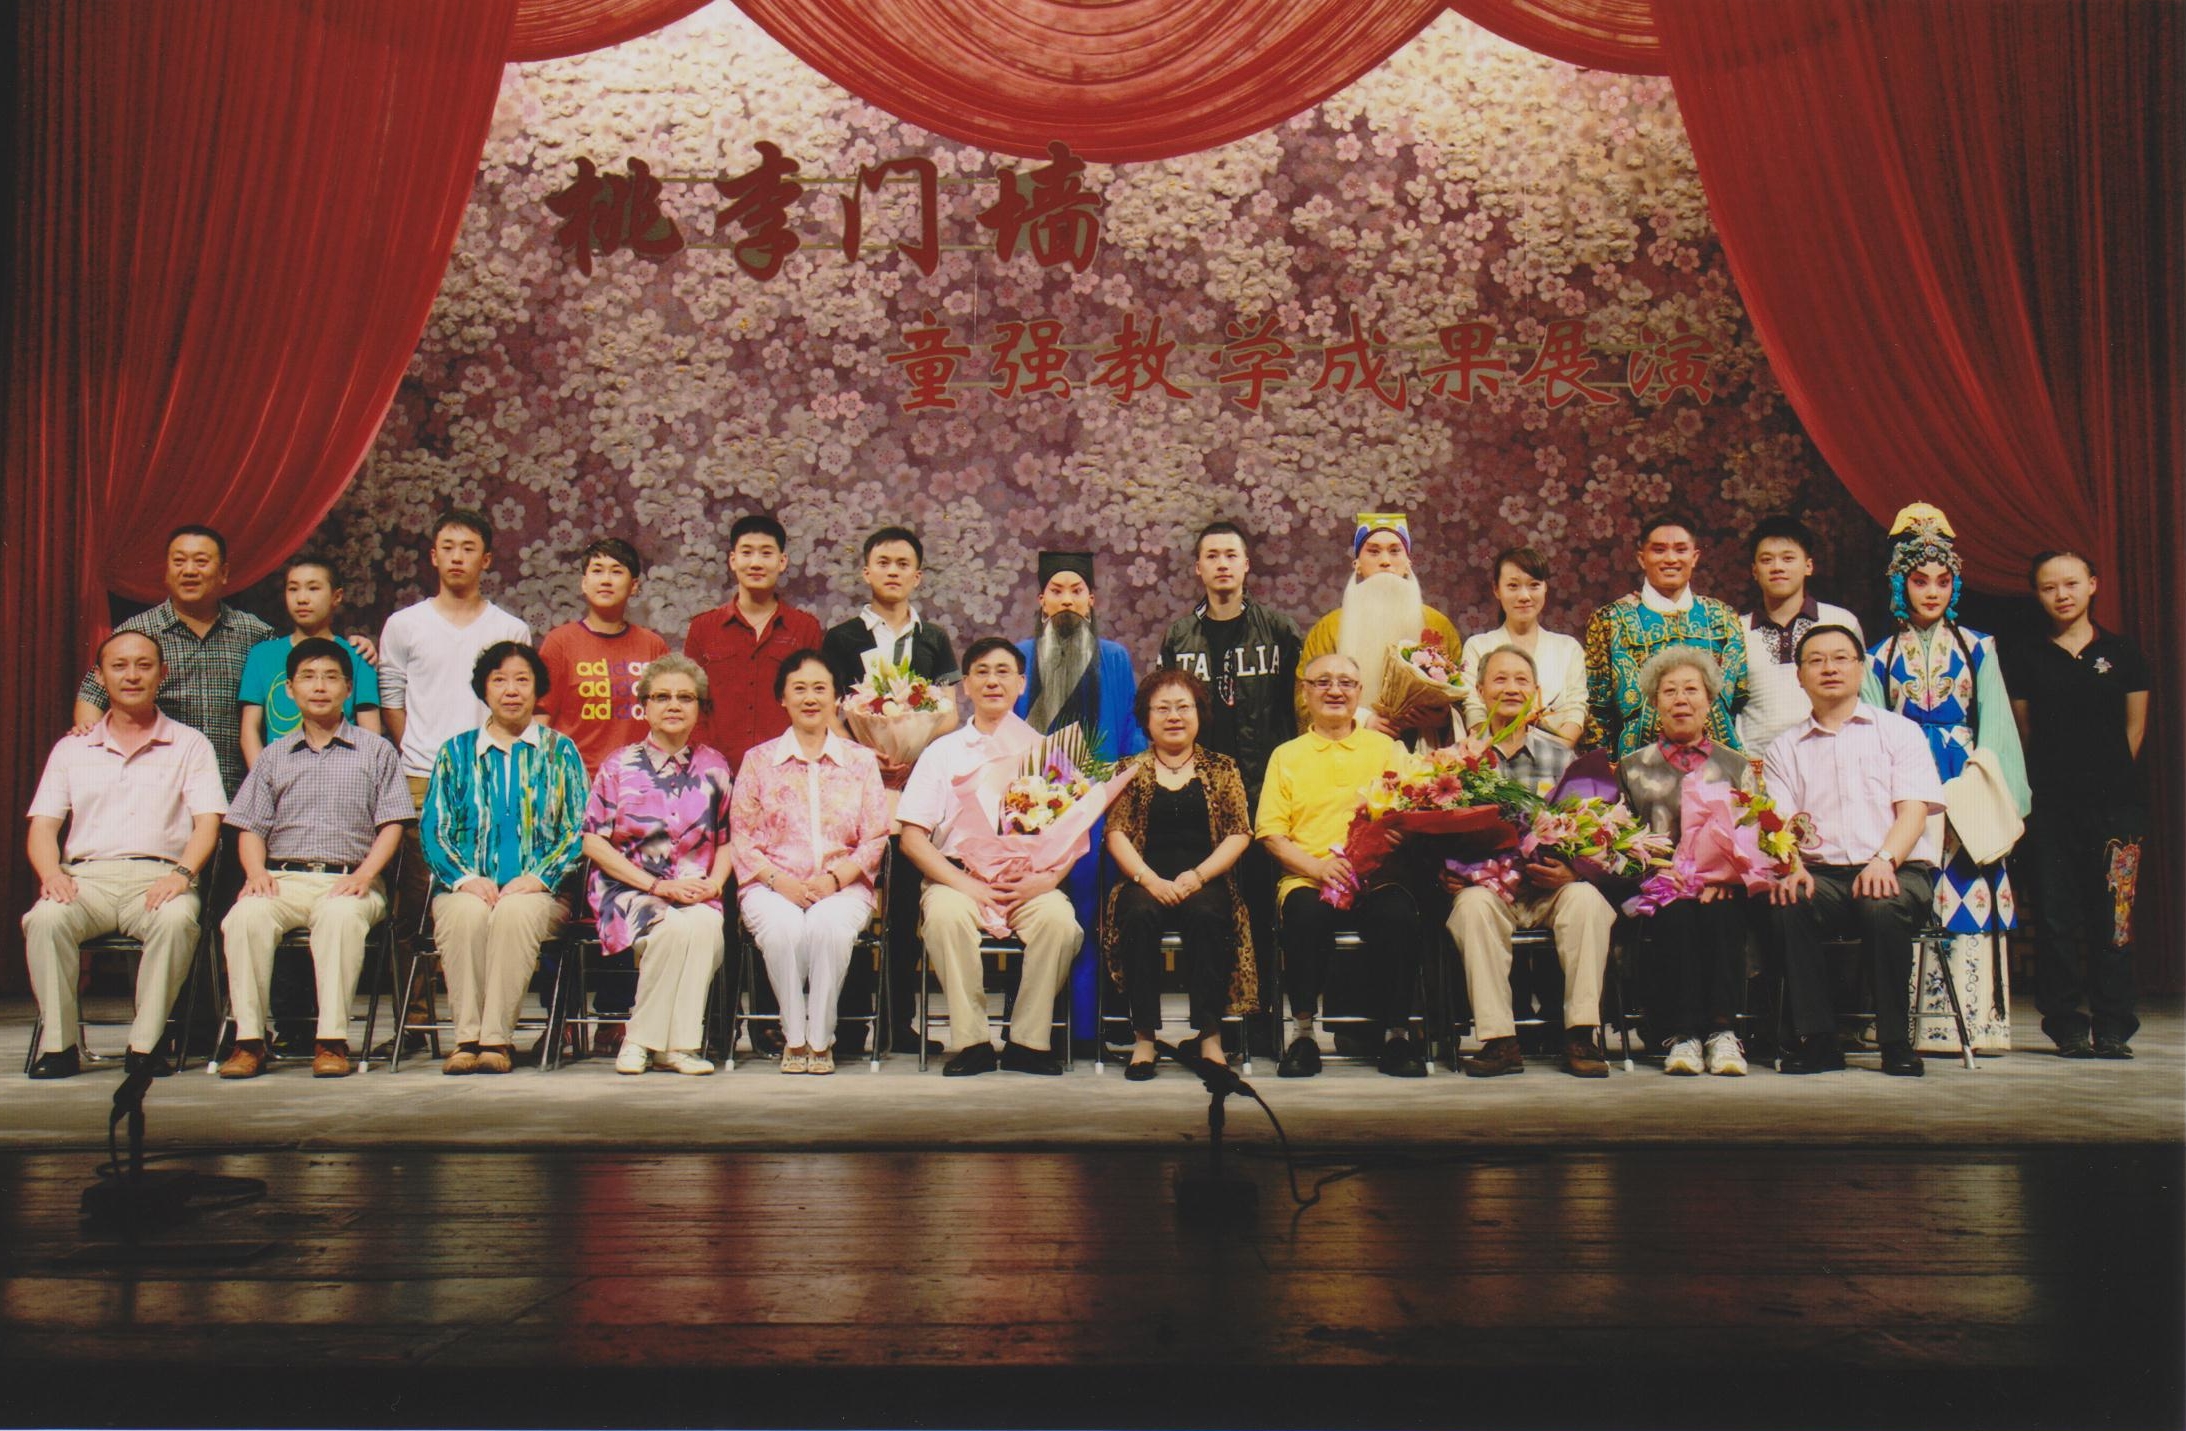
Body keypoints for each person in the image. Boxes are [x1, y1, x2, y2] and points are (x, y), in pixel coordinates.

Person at [1861, 504, 2029, 1053]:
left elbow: (1997, 725)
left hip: (1965, 781)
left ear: (1955, 584)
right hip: (1906, 779)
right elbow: (1871, 735)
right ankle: (1907, 1022)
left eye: (1942, 580)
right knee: (1913, 890)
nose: (1931, 591)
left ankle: (1975, 1023)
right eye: (1919, 580)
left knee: (1967, 890)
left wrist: (1991, 791)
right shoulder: (1879, 657)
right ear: (1900, 584)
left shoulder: (1979, 648)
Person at [25, 631, 226, 1078]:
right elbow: (43, 826)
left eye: (143, 665)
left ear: (162, 674)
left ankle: (145, 1046)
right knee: (45, 919)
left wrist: (181, 874)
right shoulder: (72, 748)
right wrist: (51, 874)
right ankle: (59, 1047)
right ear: (100, 676)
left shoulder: (190, 743)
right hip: (86, 880)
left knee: (176, 920)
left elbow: (208, 823)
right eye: (119, 666)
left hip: (159, 878)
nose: (131, 675)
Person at [216, 638, 412, 1079]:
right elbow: (250, 827)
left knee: (341, 917)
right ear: (289, 689)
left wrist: (366, 875)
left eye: (330, 678)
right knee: (244, 917)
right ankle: (249, 1041)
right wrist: (254, 872)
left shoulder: (376, 750)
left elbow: (393, 825)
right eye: (307, 677)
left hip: (350, 879)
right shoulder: (273, 755)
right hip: (283, 878)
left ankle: (332, 1041)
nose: (319, 687)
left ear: (348, 689)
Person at [377, 510, 532, 1048]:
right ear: (433, 556)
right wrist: (434, 758)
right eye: (448, 547)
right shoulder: (405, 625)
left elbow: (516, 704)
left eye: (469, 548)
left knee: (487, 901)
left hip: (492, 777)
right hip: (422, 777)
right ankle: (415, 1024)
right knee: (415, 908)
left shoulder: (509, 629)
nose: (457, 557)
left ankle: (488, 1025)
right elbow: (392, 699)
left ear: (485, 560)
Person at [1764, 625, 1946, 1076]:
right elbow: (1779, 825)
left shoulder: (1899, 732)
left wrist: (1885, 860)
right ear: (1799, 676)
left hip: (1896, 866)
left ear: (1861, 669)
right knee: (1788, 900)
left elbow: (1914, 811)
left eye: (1841, 658)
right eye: (1816, 660)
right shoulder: (1784, 748)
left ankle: (1895, 1042)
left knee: (1881, 904)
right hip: (1822, 875)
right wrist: (1793, 867)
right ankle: (1818, 1040)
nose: (1829, 668)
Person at [897, 638, 1082, 1076]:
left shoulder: (1047, 750)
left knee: (1059, 923)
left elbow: (1071, 837)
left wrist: (1046, 881)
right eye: (981, 672)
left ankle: (1028, 1042)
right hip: (956, 879)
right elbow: (913, 839)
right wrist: (967, 885)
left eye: (1003, 672)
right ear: (965, 686)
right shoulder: (941, 752)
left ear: (1021, 683)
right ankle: (972, 1042)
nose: (992, 681)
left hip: (1025, 881)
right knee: (945, 919)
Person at [1158, 520, 1300, 1055]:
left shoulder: (1279, 631)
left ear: (1245, 565)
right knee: (1212, 909)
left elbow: (1297, 712)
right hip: (1200, 796)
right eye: (1212, 555)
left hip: (1263, 790)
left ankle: (1262, 1027)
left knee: (1261, 910)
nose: (1222, 564)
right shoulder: (1179, 637)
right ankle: (1213, 1026)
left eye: (1230, 555)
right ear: (1198, 568)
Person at [820, 525, 960, 1058]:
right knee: (854, 902)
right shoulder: (842, 638)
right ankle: (850, 1023)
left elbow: (949, 713)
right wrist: (863, 751)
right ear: (866, 571)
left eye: (903, 563)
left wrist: (915, 752)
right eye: (884, 562)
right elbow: (830, 710)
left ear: (917, 576)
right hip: (856, 786)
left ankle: (898, 1023)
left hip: (913, 787)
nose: (893, 571)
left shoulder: (933, 639)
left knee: (903, 909)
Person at [1442, 646, 1614, 1079]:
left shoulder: (1562, 757)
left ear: (1536, 692)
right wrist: (1449, 871)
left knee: (1588, 902)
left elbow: (1593, 831)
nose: (1511, 688)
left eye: (1521, 680)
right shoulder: (1456, 760)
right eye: (1500, 679)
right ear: (1480, 690)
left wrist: (1574, 870)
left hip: (1549, 889)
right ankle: (1499, 1041)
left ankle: (1581, 1034)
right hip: (1489, 891)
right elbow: (1434, 830)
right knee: (1471, 909)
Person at [419, 642, 588, 1075]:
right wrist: (465, 879)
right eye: (499, 680)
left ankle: (496, 1040)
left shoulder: (560, 751)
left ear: (537, 690)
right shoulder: (455, 752)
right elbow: (433, 829)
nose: (511, 690)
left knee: (514, 912)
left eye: (522, 680)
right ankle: (466, 1040)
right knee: (466, 915)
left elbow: (578, 830)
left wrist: (539, 877)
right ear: (484, 689)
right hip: (466, 885)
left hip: (539, 892)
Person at [1257, 652, 1428, 1079]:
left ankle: (1396, 1037)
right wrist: (1317, 869)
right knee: (1304, 916)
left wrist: (1401, 834)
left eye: (1346, 683)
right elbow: (1272, 835)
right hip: (1309, 876)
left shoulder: (1387, 749)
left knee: (1399, 916)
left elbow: (1412, 813)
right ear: (1305, 692)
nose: (1335, 690)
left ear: (1359, 693)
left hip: (1377, 876)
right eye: (1323, 682)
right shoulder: (1286, 755)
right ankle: (1303, 1036)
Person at [2012, 551, 2150, 1059]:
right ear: (2038, 594)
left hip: (2117, 808)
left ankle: (2113, 1024)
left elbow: (2134, 728)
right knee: (2055, 918)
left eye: (2071, 584)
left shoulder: (2122, 651)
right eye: (2049, 587)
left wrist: (2104, 781)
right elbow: (2025, 731)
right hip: (2051, 808)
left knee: (2114, 918)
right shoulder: (2026, 655)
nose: (2062, 595)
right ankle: (2066, 1024)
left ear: (2093, 584)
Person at [731, 652, 890, 1075]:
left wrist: (835, 880)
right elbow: (742, 839)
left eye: (820, 688)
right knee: (783, 930)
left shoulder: (860, 761)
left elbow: (876, 836)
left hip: (842, 885)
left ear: (837, 698)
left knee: (827, 927)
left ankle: (820, 1040)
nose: (810, 698)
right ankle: (794, 1037)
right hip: (770, 885)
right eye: (799, 689)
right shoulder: (758, 760)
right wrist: (779, 882)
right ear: (782, 697)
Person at [582, 654, 735, 1078]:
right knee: (671, 929)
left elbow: (728, 839)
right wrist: (656, 887)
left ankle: (677, 1047)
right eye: (662, 696)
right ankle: (641, 1040)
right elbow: (593, 841)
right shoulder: (619, 765)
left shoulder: (715, 766)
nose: (674, 705)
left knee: (705, 926)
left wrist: (714, 884)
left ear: (699, 708)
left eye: (685, 697)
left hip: (694, 889)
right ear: (645, 707)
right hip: (628, 889)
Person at [1101, 669, 1256, 1080]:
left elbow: (1239, 833)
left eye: (1183, 707)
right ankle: (1144, 1038)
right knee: (1138, 915)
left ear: (1199, 713)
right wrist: (1149, 879)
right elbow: (1115, 833)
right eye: (1163, 708)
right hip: (1144, 879)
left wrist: (1199, 876)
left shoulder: (1221, 768)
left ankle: (1210, 1037)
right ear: (1146, 717)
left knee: (1207, 915)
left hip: (1204, 879)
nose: (1174, 716)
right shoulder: (1129, 769)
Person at [1616, 648, 1755, 1077]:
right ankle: (1684, 1035)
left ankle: (1723, 1032)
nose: (1681, 699)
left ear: (1710, 700)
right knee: (1675, 912)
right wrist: (1655, 871)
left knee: (1721, 910)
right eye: (1669, 691)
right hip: (1656, 886)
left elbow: (1754, 835)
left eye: (1691, 690)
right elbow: (1617, 840)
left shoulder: (1736, 766)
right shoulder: (1631, 767)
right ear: (1654, 703)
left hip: (1721, 885)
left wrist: (1727, 876)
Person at [73, 524, 275, 799]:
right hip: (161, 796)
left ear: (224, 573)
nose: (189, 571)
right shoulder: (137, 633)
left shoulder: (256, 634)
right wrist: (94, 745)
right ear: (166, 571)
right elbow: (92, 695)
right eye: (179, 561)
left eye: (201, 561)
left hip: (239, 795)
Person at [1583, 512, 1750, 757]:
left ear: (1694, 557)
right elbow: (1597, 714)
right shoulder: (1610, 620)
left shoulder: (1723, 618)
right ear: (1642, 558)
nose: (1670, 559)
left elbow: (1739, 702)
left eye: (1680, 550)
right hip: (1638, 767)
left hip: (1717, 765)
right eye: (1659, 550)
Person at [1295, 512, 1463, 743]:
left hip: (1423, 749)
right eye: (1373, 552)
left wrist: (1442, 719)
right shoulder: (1329, 628)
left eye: (1395, 551)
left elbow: (1462, 699)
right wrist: (1361, 720)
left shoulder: (1437, 625)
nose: (1385, 561)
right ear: (1357, 564)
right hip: (1351, 747)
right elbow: (1305, 699)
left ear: (1408, 563)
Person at [683, 512, 825, 774]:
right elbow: (689, 700)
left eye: (766, 553)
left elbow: (816, 703)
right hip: (714, 771)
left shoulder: (805, 628)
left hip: (786, 770)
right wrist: (705, 761)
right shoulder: (703, 628)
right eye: (747, 553)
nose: (756, 563)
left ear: (782, 562)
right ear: (733, 560)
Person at [536, 537, 671, 777]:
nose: (606, 580)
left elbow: (668, 718)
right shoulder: (560, 643)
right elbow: (540, 717)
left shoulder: (653, 645)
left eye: (616, 571)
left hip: (639, 780)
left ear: (634, 585)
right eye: (597, 571)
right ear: (584, 583)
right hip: (575, 780)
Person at [1735, 515, 1864, 761]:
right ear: (1754, 571)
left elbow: (1864, 696)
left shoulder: (1841, 622)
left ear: (1808, 566)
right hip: (1759, 765)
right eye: (1766, 560)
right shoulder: (1736, 631)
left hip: (1834, 758)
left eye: (1788, 558)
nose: (1777, 567)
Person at [239, 553, 383, 769]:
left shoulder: (357, 655)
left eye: (313, 588)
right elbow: (249, 731)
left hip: (344, 772)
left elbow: (370, 733)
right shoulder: (262, 655)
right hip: (279, 774)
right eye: (293, 589)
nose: (302, 599)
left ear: (337, 596)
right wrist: (264, 780)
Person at [1015, 550, 1143, 762]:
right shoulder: (1020, 656)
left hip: (1103, 776)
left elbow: (1131, 729)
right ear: (1042, 601)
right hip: (1031, 777)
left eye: (1076, 591)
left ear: (1090, 600)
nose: (1067, 600)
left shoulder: (1114, 657)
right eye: (1056, 592)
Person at [1456, 547, 1586, 745]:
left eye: (1534, 585)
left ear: (1545, 587)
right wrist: (1499, 753)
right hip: (1492, 757)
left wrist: (1551, 755)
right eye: (1513, 586)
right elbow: (1474, 710)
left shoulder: (1568, 648)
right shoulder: (1478, 646)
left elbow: (1575, 711)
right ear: (1496, 589)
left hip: (1556, 758)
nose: (1524, 596)